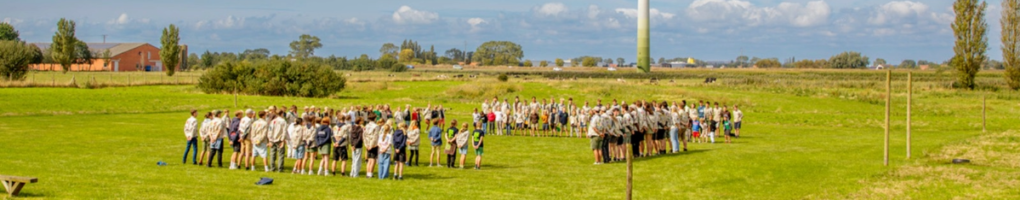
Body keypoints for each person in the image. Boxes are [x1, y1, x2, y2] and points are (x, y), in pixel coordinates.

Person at [363, 114, 380, 178]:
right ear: (374, 119)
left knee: (369, 159)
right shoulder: (376, 126)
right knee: (373, 160)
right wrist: (371, 145)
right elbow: (375, 136)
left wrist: (366, 144)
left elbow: (364, 135)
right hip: (373, 144)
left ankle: (368, 173)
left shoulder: (366, 125)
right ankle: (370, 173)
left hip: (367, 143)